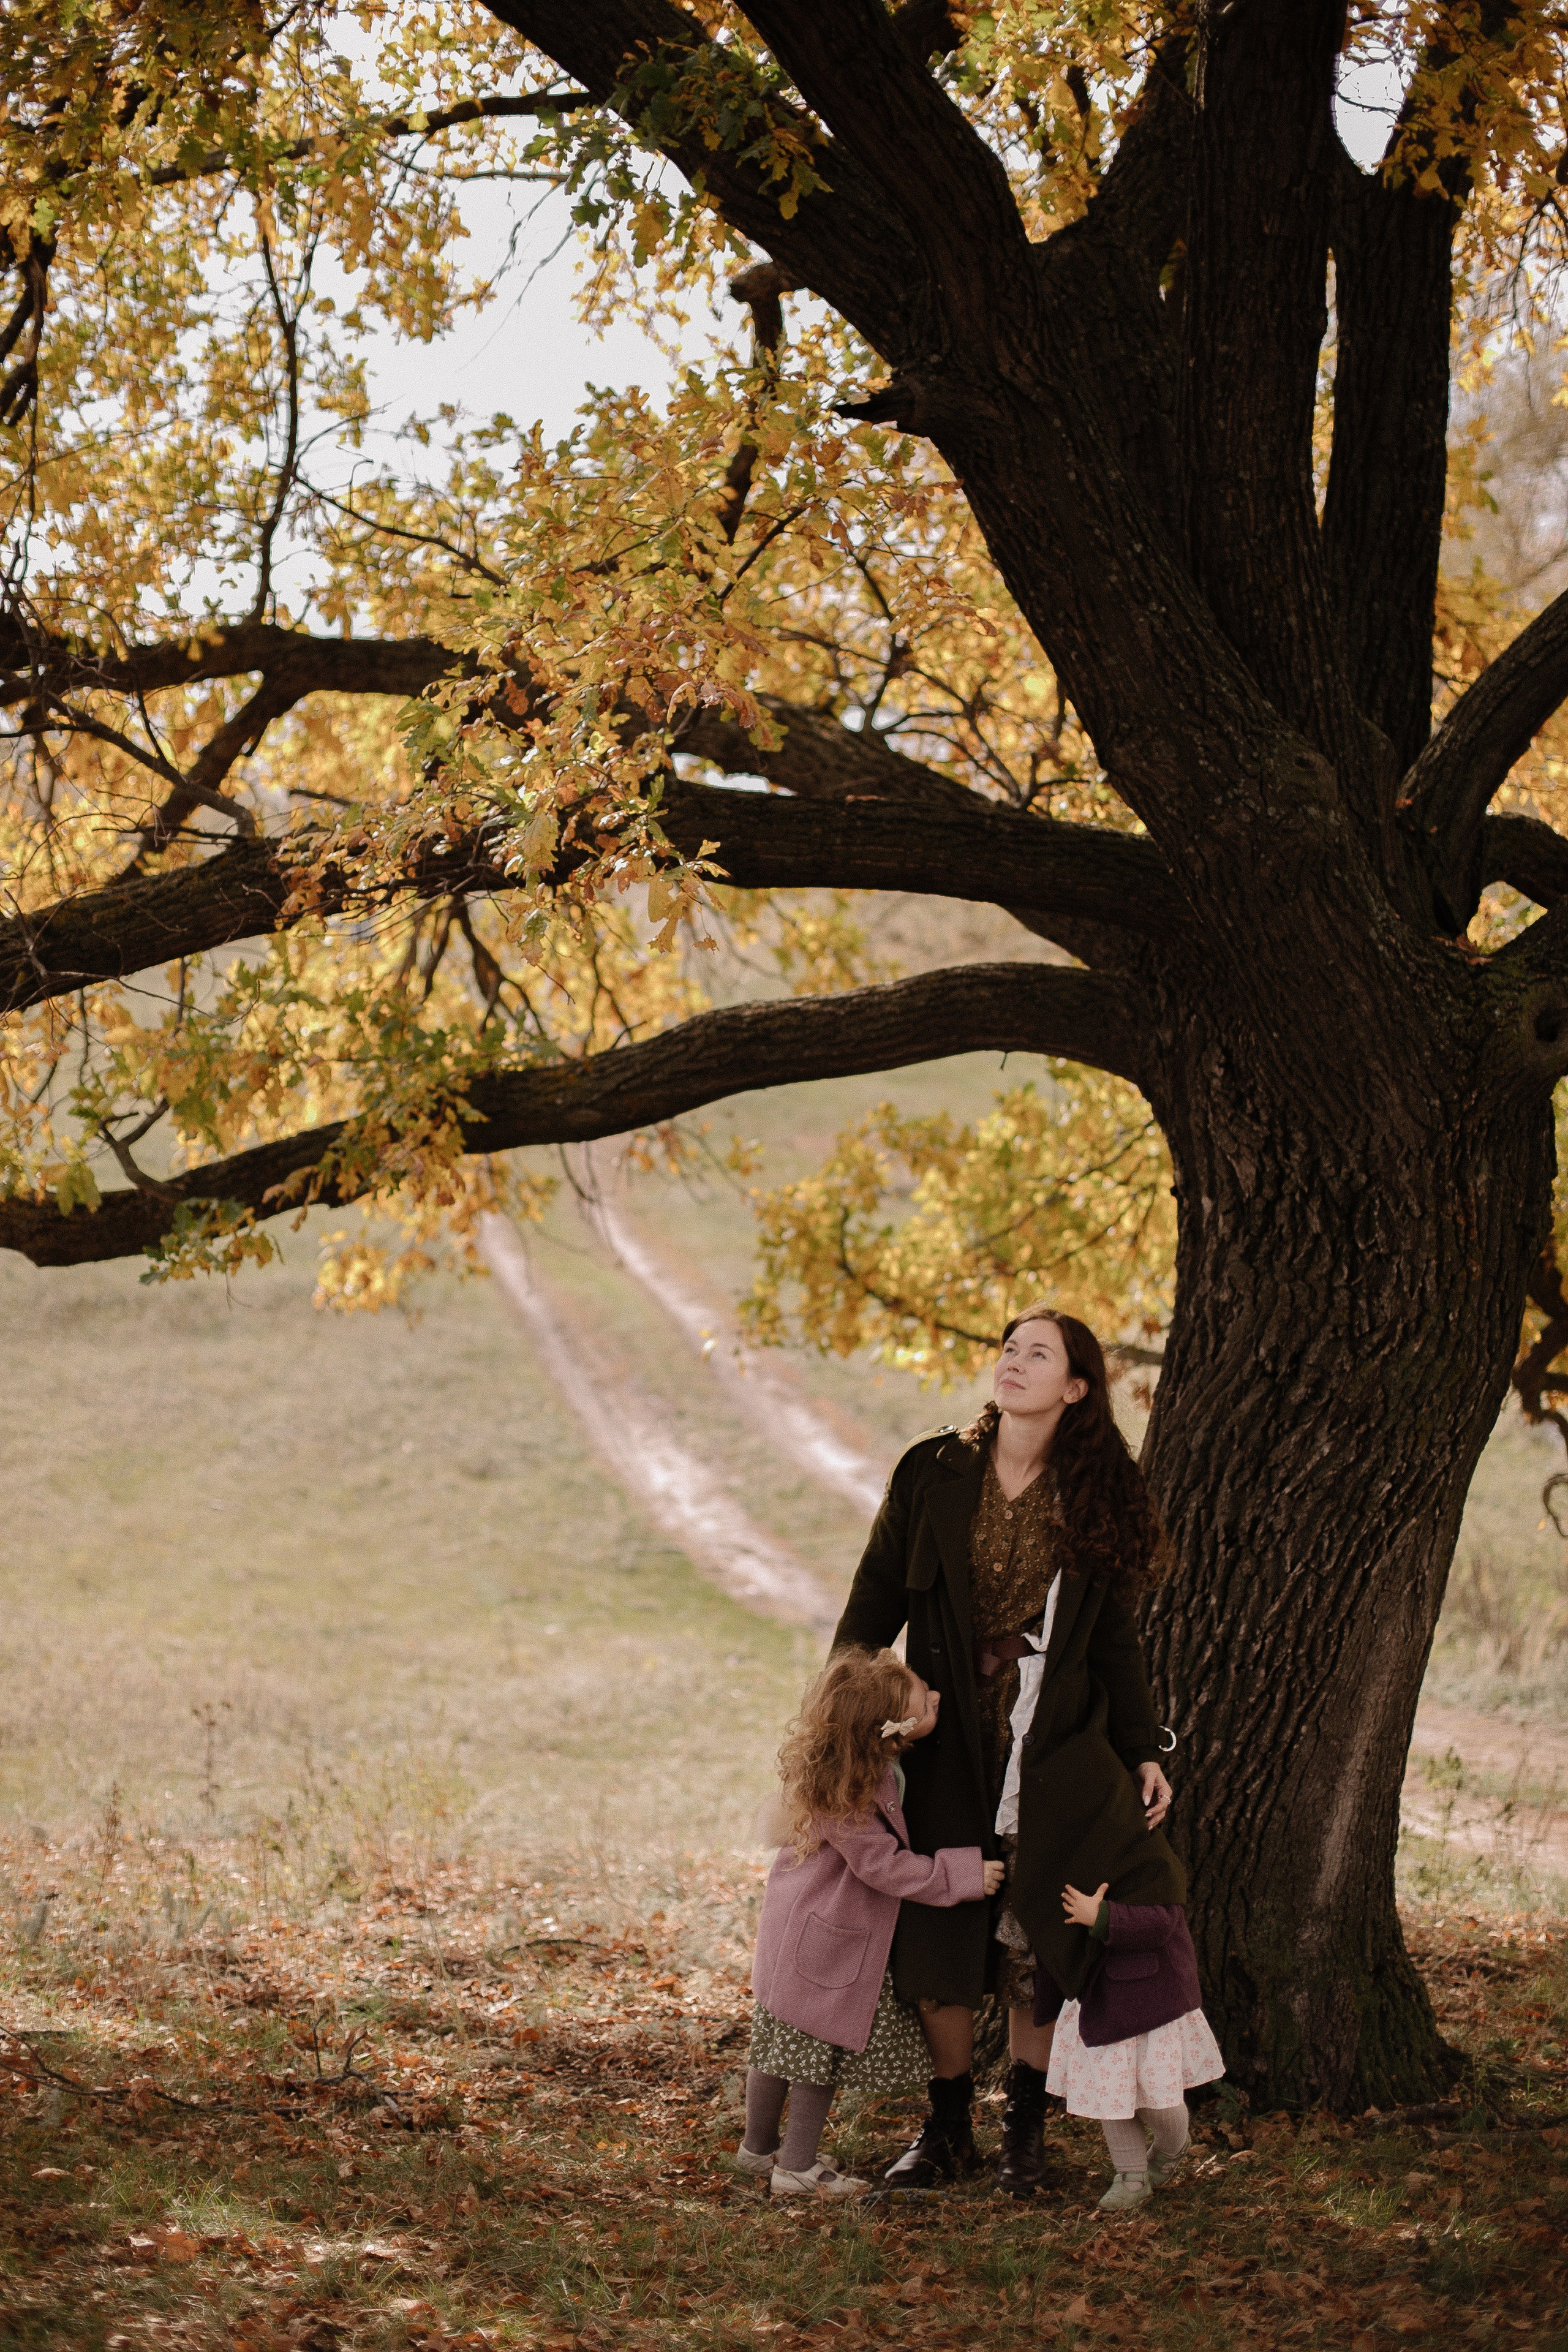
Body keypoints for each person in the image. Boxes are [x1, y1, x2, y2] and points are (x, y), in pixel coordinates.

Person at [831, 1303, 1180, 2195]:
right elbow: (873, 1605)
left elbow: (1115, 1645)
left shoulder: (1100, 1496)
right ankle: (946, 2129)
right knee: (940, 1931)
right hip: (941, 1739)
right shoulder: (934, 1471)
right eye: (1008, 1348)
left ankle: (1024, 2131)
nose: (1014, 1363)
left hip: (1050, 1749)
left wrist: (1142, 1749)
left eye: (1039, 1355)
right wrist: (847, 1718)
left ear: (1074, 1388)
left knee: (1033, 1934)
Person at [736, 1647, 1006, 2198]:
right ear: (889, 1733)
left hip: (799, 1930)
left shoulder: (849, 1768)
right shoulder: (852, 1792)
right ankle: (797, 2168)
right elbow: (882, 1867)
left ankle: (755, 2152)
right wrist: (963, 1875)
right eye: (924, 1702)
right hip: (826, 1939)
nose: (936, 1697)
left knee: (776, 2045)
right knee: (817, 2052)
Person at [1052, 1877, 1224, 2211]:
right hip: (1098, 2000)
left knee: (1158, 2098)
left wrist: (1103, 1917)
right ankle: (1131, 2176)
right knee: (1110, 2090)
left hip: (1151, 2001)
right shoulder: (1077, 1856)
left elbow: (1162, 1921)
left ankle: (1172, 2146)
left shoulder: (1152, 1861)